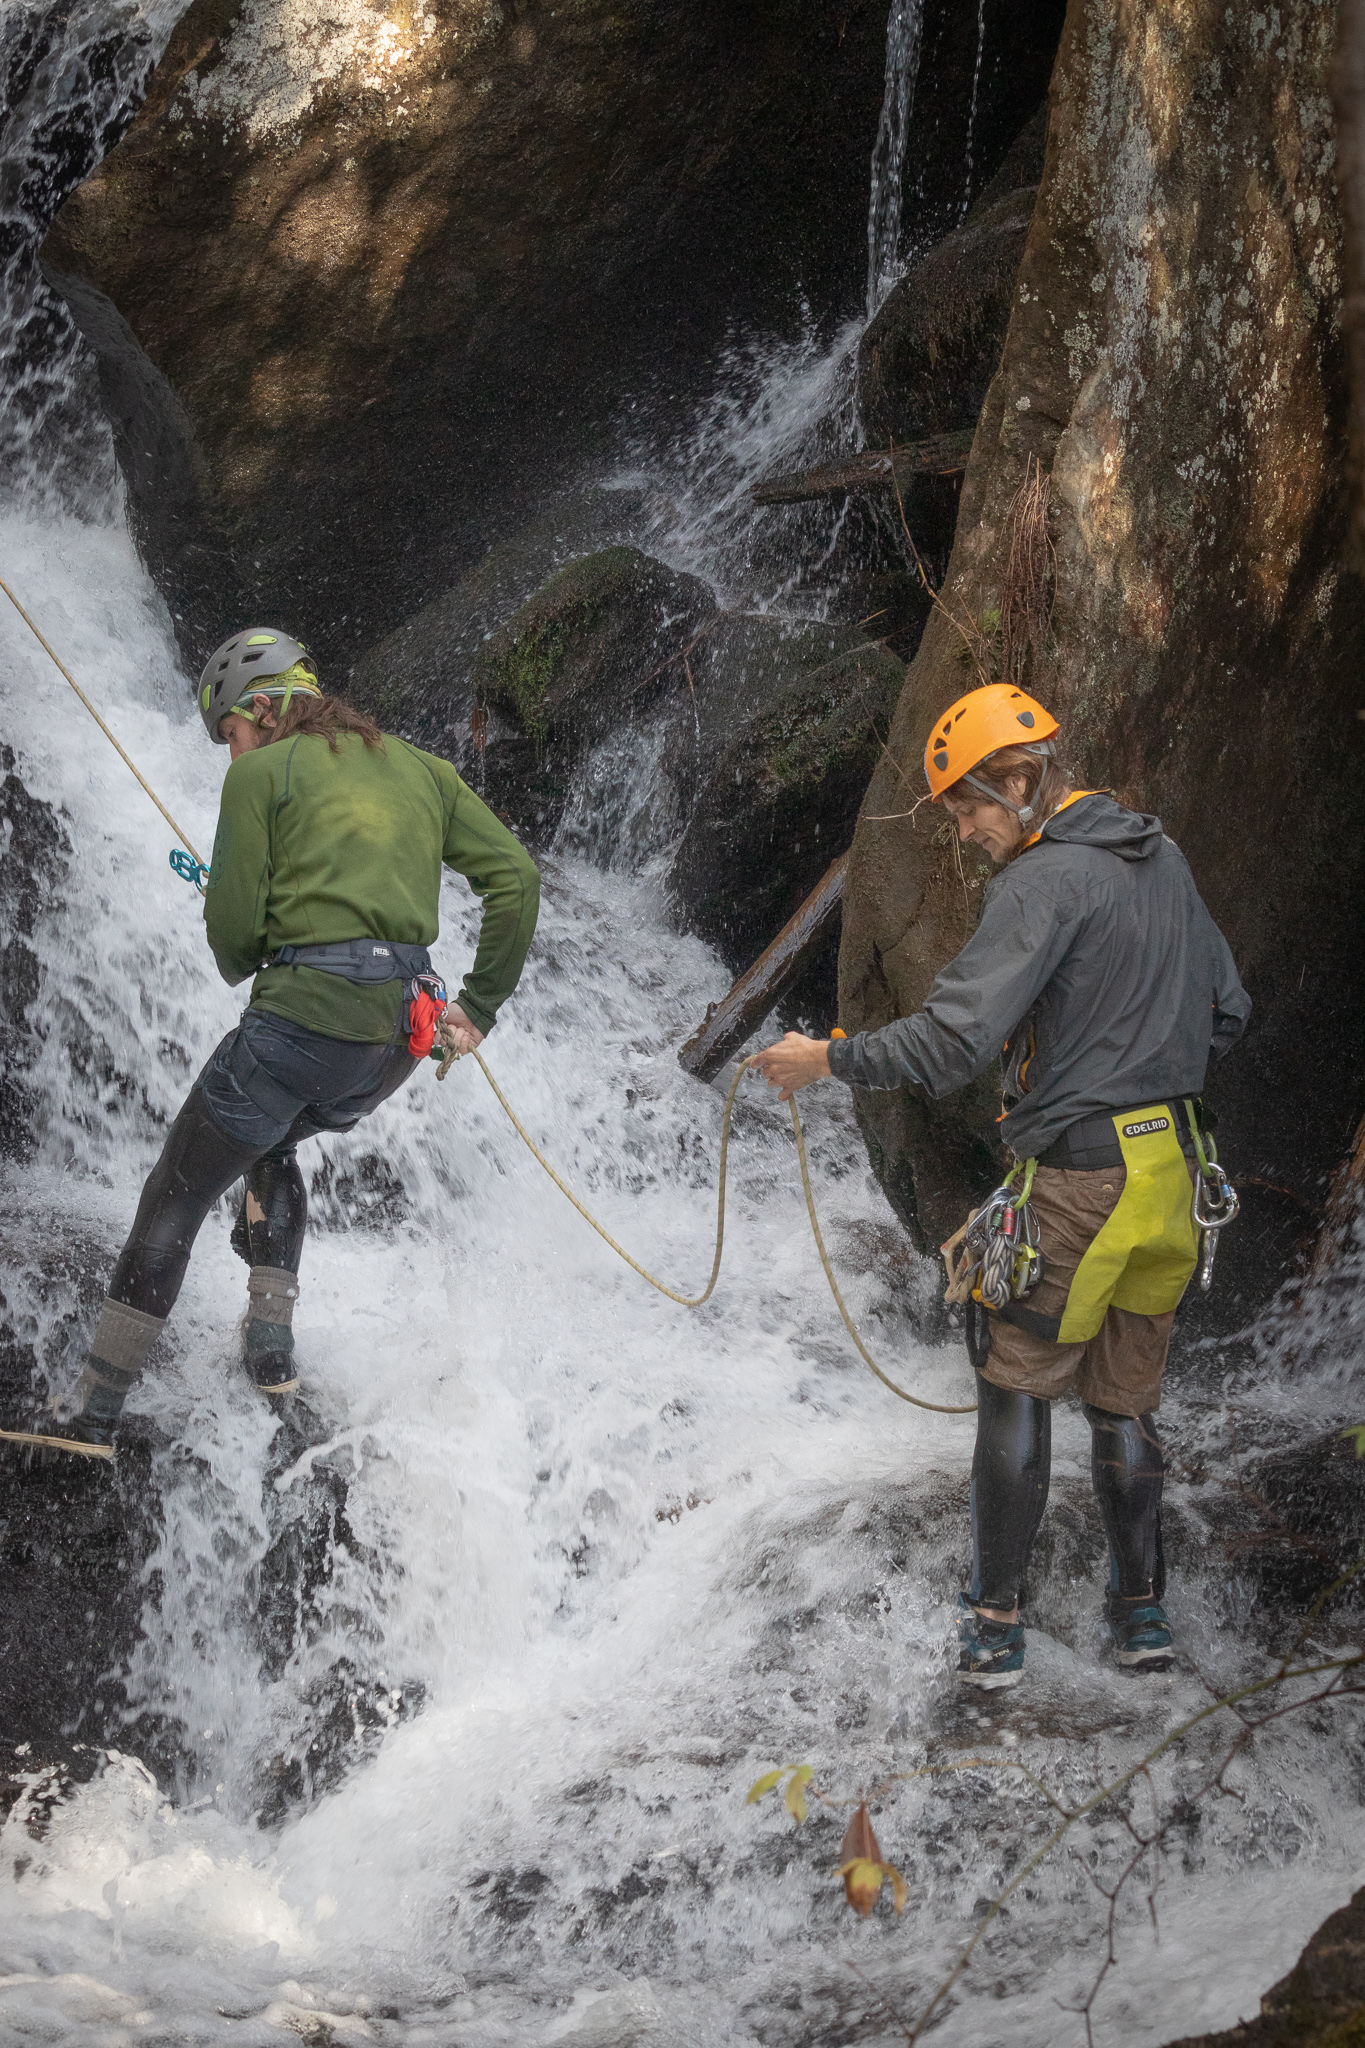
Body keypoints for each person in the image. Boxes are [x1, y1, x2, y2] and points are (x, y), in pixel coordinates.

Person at [752, 683, 1249, 1688]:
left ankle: (992, 1628)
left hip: (1081, 1181)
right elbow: (1227, 1011)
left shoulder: (1040, 880)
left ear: (1020, 782)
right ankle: (1142, 1618)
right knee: (1124, 1401)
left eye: (971, 805)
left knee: (1014, 1380)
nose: (966, 829)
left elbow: (951, 1038)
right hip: (1173, 1182)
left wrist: (826, 1059)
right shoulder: (1163, 858)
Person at [50, 627, 539, 1455]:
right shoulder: (424, 770)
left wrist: (260, 928)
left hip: (303, 1026)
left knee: (176, 1190)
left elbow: (234, 948)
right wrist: (478, 1008)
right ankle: (272, 1349)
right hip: (395, 1045)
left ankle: (95, 1411)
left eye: (230, 734)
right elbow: (516, 879)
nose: (229, 754)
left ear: (264, 710)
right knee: (270, 1139)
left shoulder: (263, 776)